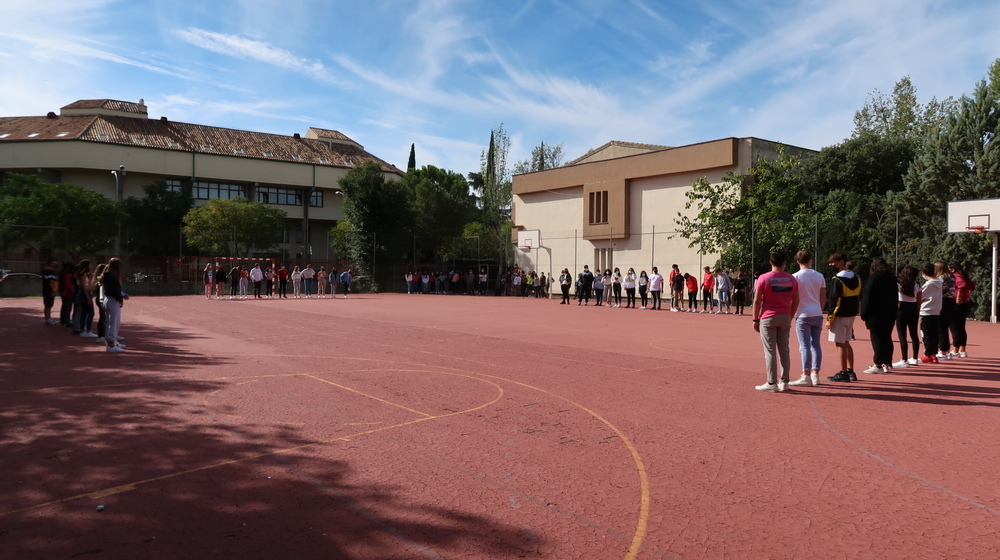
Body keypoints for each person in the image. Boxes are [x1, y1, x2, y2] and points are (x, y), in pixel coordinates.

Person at [753, 251, 799, 392]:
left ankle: (771, 382)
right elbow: (796, 300)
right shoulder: (791, 279)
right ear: (784, 263)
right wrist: (789, 315)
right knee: (784, 349)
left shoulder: (763, 278)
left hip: (768, 316)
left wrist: (755, 319)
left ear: (770, 262)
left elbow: (756, 300)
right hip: (785, 315)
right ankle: (784, 381)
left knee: (770, 350)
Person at [789, 250, 826, 387]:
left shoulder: (795, 277)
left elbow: (793, 298)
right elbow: (823, 297)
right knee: (816, 344)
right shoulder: (819, 276)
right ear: (810, 260)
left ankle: (806, 375)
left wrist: (792, 313)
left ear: (798, 261)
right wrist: (819, 308)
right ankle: (815, 373)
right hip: (816, 312)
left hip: (802, 313)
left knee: (804, 346)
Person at [825, 253, 861, 382]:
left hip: (840, 315)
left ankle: (843, 372)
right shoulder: (856, 277)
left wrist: (830, 318)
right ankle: (851, 371)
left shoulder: (837, 279)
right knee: (846, 342)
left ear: (841, 262)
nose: (831, 265)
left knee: (839, 343)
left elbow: (834, 300)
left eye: (832, 262)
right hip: (852, 313)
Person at [860, 257, 898, 374]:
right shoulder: (892, 279)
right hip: (890, 313)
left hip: (876, 314)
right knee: (887, 337)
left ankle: (878, 364)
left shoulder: (874, 279)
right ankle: (887, 363)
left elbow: (867, 297)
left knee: (877, 338)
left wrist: (864, 314)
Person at [892, 265, 922, 368]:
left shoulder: (899, 284)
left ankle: (904, 359)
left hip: (901, 308)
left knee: (902, 335)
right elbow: (919, 301)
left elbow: (895, 297)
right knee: (914, 334)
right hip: (913, 308)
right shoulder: (916, 286)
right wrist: (917, 312)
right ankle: (914, 358)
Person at [101, 257, 129, 353]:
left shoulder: (108, 276)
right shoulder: (112, 277)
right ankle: (111, 344)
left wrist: (122, 295)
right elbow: (115, 290)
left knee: (112, 322)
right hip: (112, 300)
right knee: (113, 323)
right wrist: (121, 297)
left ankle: (113, 341)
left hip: (108, 299)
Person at [948, 261, 974, 358]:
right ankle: (962, 349)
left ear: (953, 269)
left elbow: (962, 286)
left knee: (954, 326)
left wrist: (959, 297)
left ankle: (955, 349)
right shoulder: (964, 275)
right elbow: (971, 286)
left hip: (957, 303)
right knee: (961, 326)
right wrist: (967, 296)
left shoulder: (956, 277)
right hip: (965, 304)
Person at [919, 263, 943, 363]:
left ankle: (928, 354)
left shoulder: (929, 284)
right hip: (936, 311)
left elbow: (920, 296)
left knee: (926, 334)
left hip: (926, 311)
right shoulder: (939, 283)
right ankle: (933, 353)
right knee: (934, 334)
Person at [934, 261, 955, 360]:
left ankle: (942, 350)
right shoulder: (951, 277)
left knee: (940, 327)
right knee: (945, 327)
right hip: (951, 301)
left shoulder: (940, 279)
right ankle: (945, 349)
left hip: (942, 302)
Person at [59, 261, 76, 328]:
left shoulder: (62, 273)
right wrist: (73, 291)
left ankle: (64, 320)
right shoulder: (68, 275)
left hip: (63, 291)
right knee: (68, 307)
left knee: (65, 306)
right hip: (68, 292)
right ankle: (66, 321)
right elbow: (68, 285)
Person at [42, 258, 59, 325]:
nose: (55, 265)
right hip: (48, 291)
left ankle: (48, 318)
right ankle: (47, 319)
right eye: (54, 263)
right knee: (48, 305)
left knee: (49, 305)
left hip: (50, 291)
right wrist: (51, 291)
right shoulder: (48, 271)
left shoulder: (51, 271)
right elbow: (49, 282)